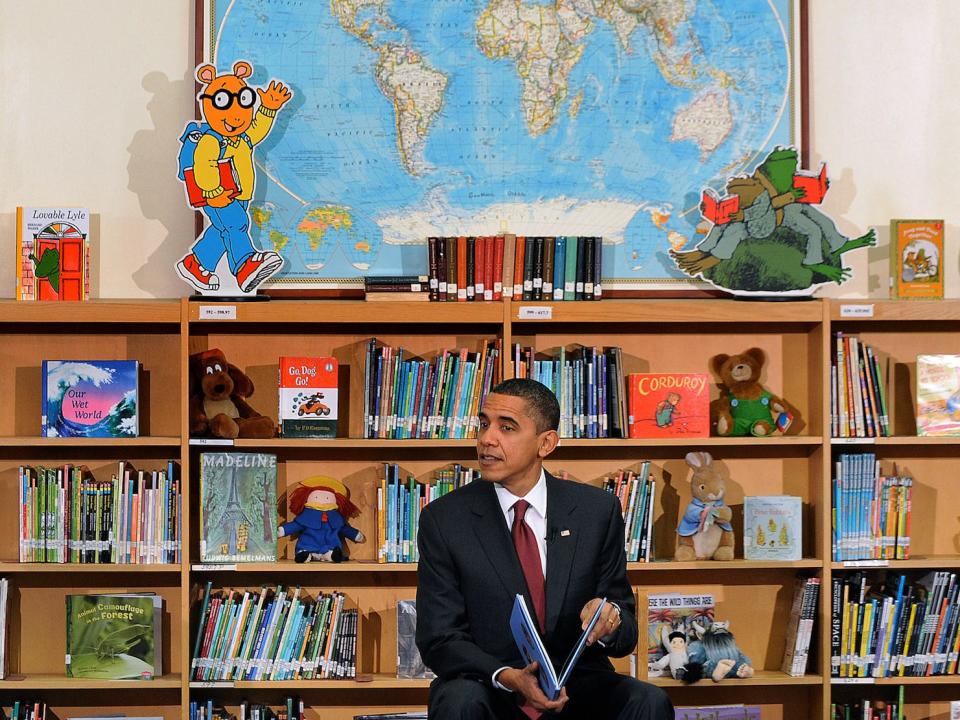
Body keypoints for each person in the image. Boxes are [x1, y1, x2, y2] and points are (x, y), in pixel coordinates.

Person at [416, 378, 673, 719]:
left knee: (648, 700)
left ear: (546, 443)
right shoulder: (444, 519)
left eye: (507, 428)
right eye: (483, 424)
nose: (486, 438)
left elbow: (625, 631)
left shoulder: (597, 511)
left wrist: (609, 621)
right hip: (491, 686)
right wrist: (507, 676)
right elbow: (439, 638)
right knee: (459, 700)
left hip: (576, 686)